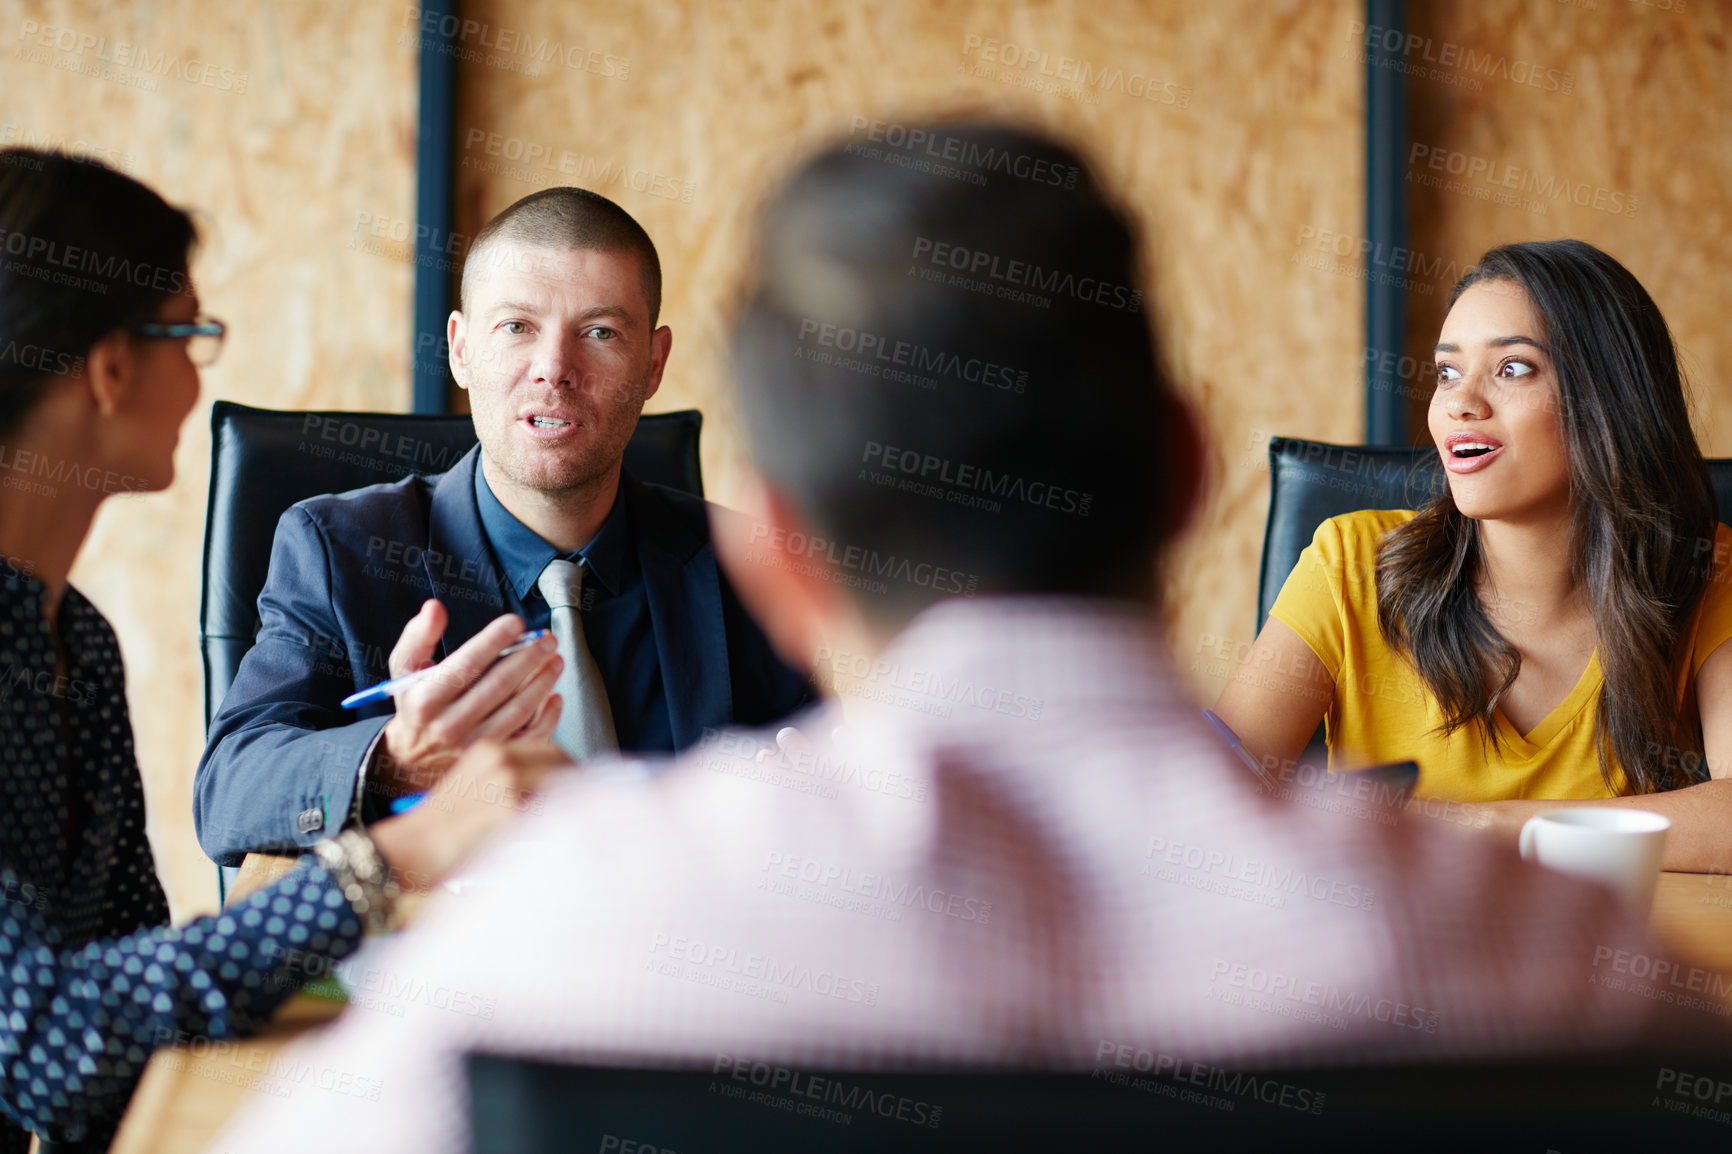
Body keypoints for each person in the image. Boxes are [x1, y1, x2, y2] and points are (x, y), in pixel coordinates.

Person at [216, 124, 1713, 1154]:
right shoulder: (1559, 963)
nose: (558, 368)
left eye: (602, 332)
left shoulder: (550, 946)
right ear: (1193, 476)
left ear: (773, 550)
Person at [0, 150, 555, 1151]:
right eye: (191, 332)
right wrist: (395, 853)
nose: (198, 366)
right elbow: (43, 1037)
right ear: (112, 365)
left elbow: (130, 983)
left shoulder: (72, 638)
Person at [193, 187, 809, 866]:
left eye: (600, 332)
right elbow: (229, 795)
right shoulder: (339, 549)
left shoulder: (745, 562)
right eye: (516, 327)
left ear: (653, 365)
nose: (554, 368)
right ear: (460, 349)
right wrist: (397, 757)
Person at [1214, 240, 1732, 873]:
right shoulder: (1351, 562)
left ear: (1610, 399)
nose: (1461, 402)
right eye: (1448, 372)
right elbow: (1211, 800)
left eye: (1512, 368)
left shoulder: (1708, 570)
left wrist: (1483, 826)